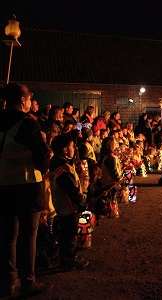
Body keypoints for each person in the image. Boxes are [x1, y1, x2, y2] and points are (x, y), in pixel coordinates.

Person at [0, 83, 53, 297]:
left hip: (3, 187)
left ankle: (8, 282)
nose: (31, 103)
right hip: (27, 187)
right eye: (30, 99)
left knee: (7, 236)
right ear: (23, 100)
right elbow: (42, 160)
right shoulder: (27, 124)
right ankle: (28, 282)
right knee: (28, 236)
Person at [49, 135, 90, 270]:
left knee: (65, 234)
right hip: (67, 206)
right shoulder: (63, 167)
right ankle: (69, 260)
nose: (74, 148)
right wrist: (81, 201)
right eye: (72, 146)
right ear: (65, 149)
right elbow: (71, 188)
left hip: (61, 205)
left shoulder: (57, 163)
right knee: (70, 235)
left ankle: (65, 258)